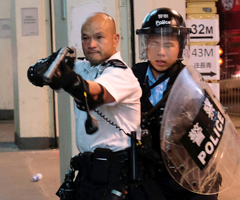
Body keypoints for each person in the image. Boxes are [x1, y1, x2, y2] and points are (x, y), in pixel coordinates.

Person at [27, 12, 164, 200]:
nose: (91, 44)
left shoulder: (121, 74)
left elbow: (94, 94)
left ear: (115, 39)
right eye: (85, 38)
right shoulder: (84, 67)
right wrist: (43, 68)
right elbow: (40, 75)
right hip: (90, 172)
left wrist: (67, 78)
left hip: (117, 177)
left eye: (99, 37)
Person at [132, 8, 218, 200]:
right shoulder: (131, 77)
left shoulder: (190, 82)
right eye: (154, 44)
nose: (161, 52)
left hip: (182, 173)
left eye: (169, 45)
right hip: (145, 174)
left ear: (181, 46)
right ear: (146, 45)